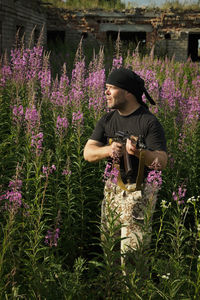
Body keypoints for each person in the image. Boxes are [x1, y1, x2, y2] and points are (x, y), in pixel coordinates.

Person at [83, 67, 167, 265]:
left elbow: (162, 161)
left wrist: (138, 153)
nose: (106, 92)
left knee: (132, 260)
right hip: (112, 190)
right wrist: (109, 150)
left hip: (139, 193)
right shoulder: (107, 120)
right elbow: (88, 152)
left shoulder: (148, 122)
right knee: (109, 252)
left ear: (128, 92)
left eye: (111, 88)